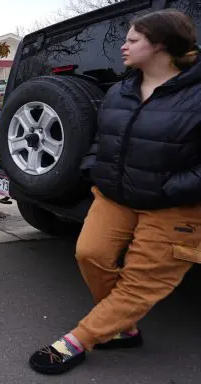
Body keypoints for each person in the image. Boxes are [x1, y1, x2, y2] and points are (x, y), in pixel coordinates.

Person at [29, 9, 201, 375]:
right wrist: (95, 166)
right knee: (90, 253)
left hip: (174, 206)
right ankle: (121, 325)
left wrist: (171, 187)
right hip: (115, 195)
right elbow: (101, 137)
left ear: (161, 46)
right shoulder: (123, 89)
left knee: (141, 283)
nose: (123, 46)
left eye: (133, 40)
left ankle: (80, 339)